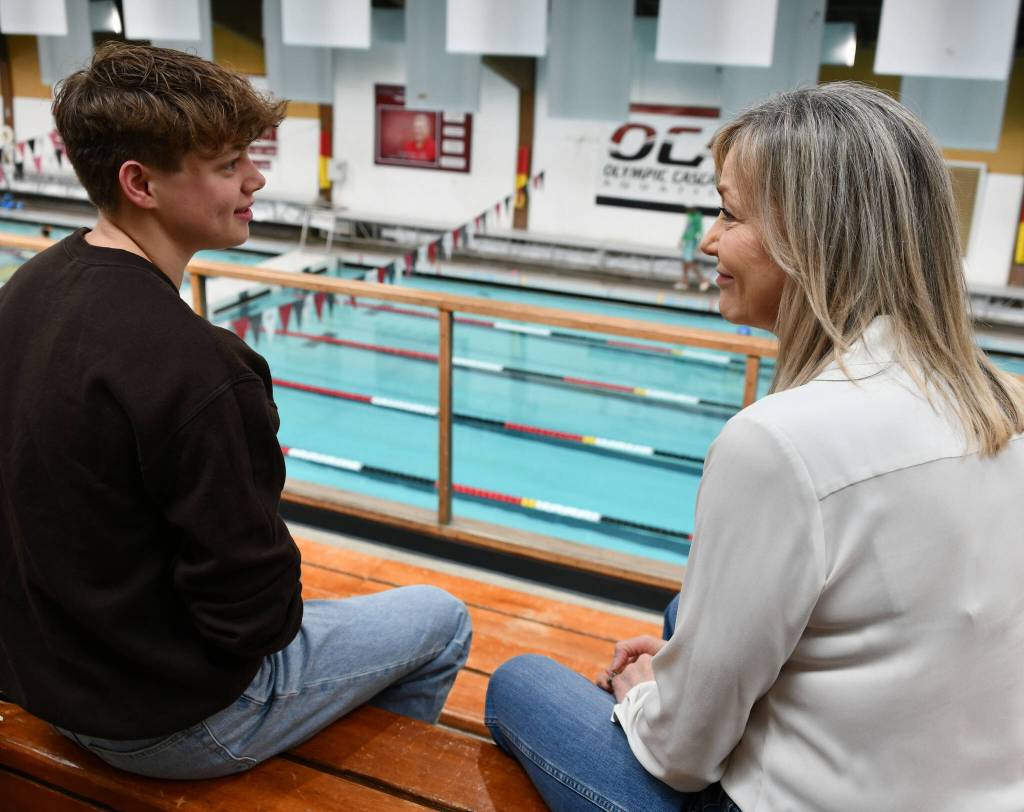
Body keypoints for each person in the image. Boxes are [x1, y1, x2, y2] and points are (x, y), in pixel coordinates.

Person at [486, 81, 1024, 811]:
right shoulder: (1001, 399)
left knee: (520, 681)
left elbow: (680, 760)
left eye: (729, 213)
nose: (707, 238)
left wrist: (647, 697)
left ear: (811, 239)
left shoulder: (781, 443)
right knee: (683, 618)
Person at [0, 43, 471, 780]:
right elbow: (256, 621)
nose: (256, 179)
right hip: (167, 722)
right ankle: (334, 792)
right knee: (442, 619)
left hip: (44, 676)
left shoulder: (27, 289)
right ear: (140, 183)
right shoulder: (201, 367)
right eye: (227, 166)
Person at [674, 206, 707, 291]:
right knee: (684, 262)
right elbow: (686, 228)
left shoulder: (697, 216)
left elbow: (699, 230)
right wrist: (682, 239)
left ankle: (703, 280)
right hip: (687, 240)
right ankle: (685, 282)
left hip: (692, 241)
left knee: (689, 262)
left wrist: (699, 243)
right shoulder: (690, 215)